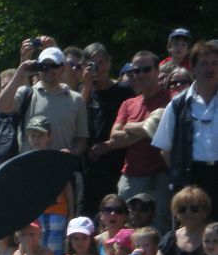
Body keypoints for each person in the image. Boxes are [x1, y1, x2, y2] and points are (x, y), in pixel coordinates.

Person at [91, 51, 173, 230]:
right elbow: (114, 137)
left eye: (146, 69)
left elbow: (164, 133)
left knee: (158, 230)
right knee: (125, 232)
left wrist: (130, 127)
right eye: (136, 71)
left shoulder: (172, 100)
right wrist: (149, 128)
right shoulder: (128, 104)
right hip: (130, 177)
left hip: (159, 177)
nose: (141, 74)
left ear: (158, 71)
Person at [152, 41, 218, 210]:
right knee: (192, 232)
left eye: (214, 63)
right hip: (190, 180)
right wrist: (181, 175)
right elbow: (165, 150)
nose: (209, 69)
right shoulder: (178, 104)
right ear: (193, 68)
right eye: (204, 64)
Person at [0, 39, 89, 156]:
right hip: (29, 167)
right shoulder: (26, 93)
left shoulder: (76, 99)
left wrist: (74, 151)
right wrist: (19, 73)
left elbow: (82, 140)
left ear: (62, 68)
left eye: (53, 65)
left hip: (60, 167)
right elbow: (1, 107)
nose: (49, 70)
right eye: (44, 66)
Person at [80, 43, 135, 218]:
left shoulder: (124, 91)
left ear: (109, 64)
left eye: (101, 62)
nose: (98, 68)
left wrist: (109, 145)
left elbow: (132, 126)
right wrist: (86, 87)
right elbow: (76, 118)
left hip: (117, 161)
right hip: (90, 166)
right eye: (92, 64)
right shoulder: (83, 94)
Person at [27, 116, 74, 255]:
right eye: (33, 135)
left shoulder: (57, 159)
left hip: (57, 213)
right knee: (35, 252)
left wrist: (71, 214)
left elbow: (67, 187)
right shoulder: (26, 162)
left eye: (40, 135)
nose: (36, 139)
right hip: (35, 215)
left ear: (49, 136)